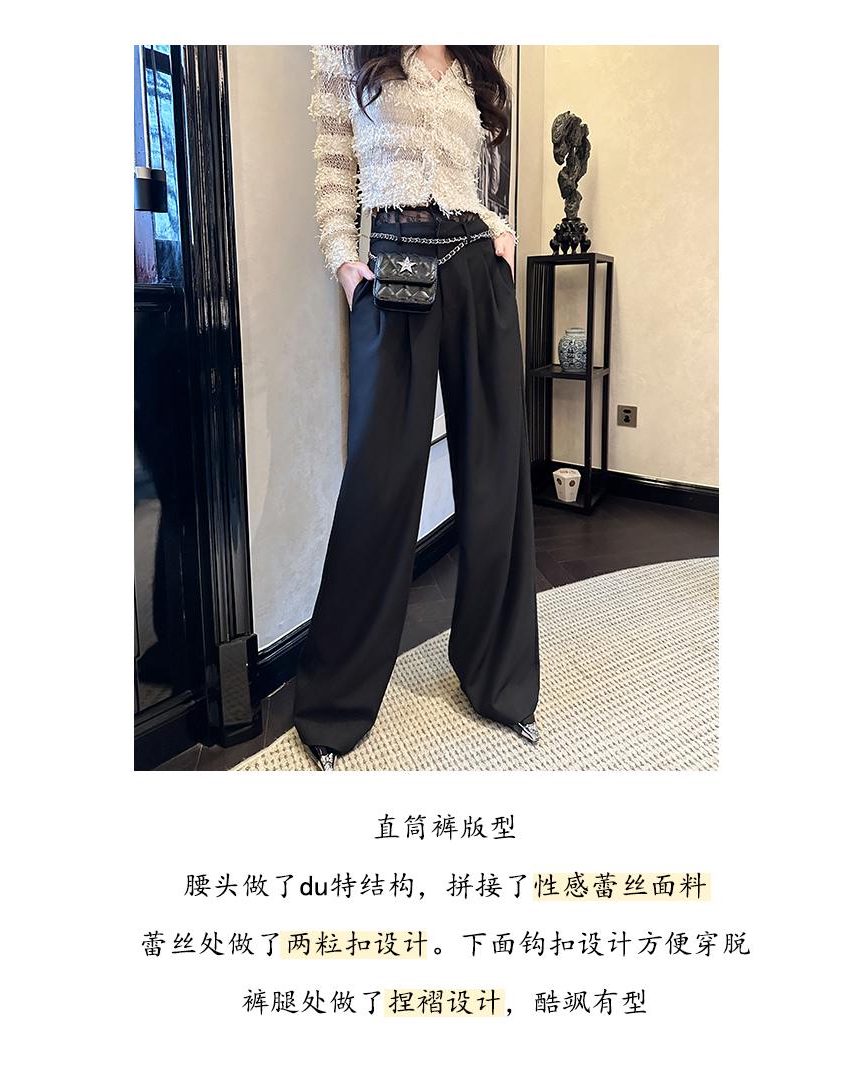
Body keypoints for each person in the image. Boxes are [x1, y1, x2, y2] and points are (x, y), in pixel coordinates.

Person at [294, 45, 541, 770]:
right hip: (394, 263)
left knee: (495, 476)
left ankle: (499, 681)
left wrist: (500, 234)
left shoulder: (471, 60)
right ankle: (335, 706)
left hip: (475, 267)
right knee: (378, 486)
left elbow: (471, 180)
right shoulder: (349, 47)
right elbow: (335, 173)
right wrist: (347, 268)